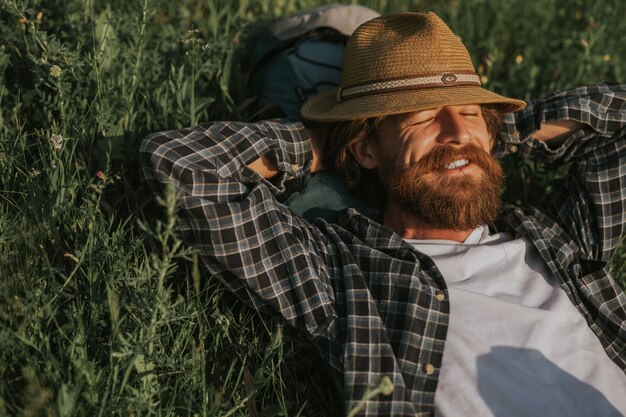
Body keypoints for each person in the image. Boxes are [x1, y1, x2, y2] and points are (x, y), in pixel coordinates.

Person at [141, 12, 626, 417]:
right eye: (422, 116)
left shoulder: (555, 242)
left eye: (472, 112)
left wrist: (501, 134)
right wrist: (330, 147)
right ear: (367, 148)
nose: (456, 130)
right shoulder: (343, 274)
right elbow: (182, 165)